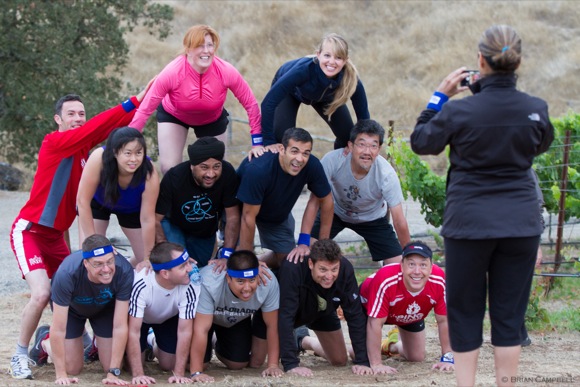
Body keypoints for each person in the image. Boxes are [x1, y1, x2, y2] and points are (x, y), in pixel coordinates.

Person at [410, 25, 554, 386]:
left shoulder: (460, 112)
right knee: (508, 315)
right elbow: (538, 145)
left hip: (469, 223)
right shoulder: (536, 109)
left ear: (480, 61)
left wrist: (439, 97)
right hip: (520, 224)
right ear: (517, 61)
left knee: (465, 311)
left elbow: (421, 142)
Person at [8, 83, 150, 380]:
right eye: (71, 113)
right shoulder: (55, 142)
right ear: (58, 119)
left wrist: (148, 101)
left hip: (57, 237)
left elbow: (114, 134)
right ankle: (19, 355)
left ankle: (55, 340)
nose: (78, 118)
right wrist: (132, 101)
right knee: (43, 292)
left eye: (82, 113)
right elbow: (99, 126)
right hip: (31, 232)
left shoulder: (85, 152)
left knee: (81, 285)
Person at [129, 24, 268, 174]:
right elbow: (145, 109)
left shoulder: (226, 71)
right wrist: (128, 141)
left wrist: (257, 143)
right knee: (169, 169)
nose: (206, 51)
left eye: (210, 45)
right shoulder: (172, 72)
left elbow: (251, 104)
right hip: (174, 115)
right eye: (200, 46)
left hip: (212, 118)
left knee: (216, 171)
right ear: (188, 49)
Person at [27, 234, 134, 385]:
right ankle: (44, 341)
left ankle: (98, 344)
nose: (106, 269)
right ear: (86, 263)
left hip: (104, 308)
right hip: (72, 310)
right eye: (98, 264)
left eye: (110, 261)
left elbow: (120, 325)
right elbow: (58, 328)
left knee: (112, 363)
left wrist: (113, 372)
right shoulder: (67, 274)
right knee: (72, 367)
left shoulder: (124, 271)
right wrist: (61, 374)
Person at [311, 119, 411, 265]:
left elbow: (399, 219)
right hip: (335, 212)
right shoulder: (332, 160)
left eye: (373, 146)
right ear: (350, 146)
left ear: (379, 149)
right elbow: (314, 201)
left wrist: (410, 254)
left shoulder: (386, 174)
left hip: (373, 218)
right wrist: (305, 241)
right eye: (362, 144)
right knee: (309, 252)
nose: (367, 151)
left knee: (396, 265)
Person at [236, 127, 334, 270]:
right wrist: (248, 259)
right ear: (282, 149)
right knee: (240, 261)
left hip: (275, 212)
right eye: (294, 151)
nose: (300, 159)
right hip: (242, 208)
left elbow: (326, 201)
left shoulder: (312, 165)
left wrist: (316, 244)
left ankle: (261, 261)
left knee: (289, 262)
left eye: (306, 153)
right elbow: (247, 217)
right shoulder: (259, 169)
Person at [278, 239, 372, 376]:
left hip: (322, 311)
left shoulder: (345, 269)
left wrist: (362, 361)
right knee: (255, 361)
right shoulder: (293, 267)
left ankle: (303, 340)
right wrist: (291, 364)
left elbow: (355, 316)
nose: (329, 276)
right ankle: (295, 337)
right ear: (311, 263)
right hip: (294, 311)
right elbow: (285, 316)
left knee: (339, 360)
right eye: (323, 269)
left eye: (334, 269)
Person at [260, 33, 370, 150]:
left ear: (345, 60)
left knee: (348, 139)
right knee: (283, 141)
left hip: (324, 96)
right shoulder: (302, 71)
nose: (332, 62)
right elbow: (268, 103)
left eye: (338, 58)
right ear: (318, 55)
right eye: (327, 55)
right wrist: (268, 141)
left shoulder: (351, 78)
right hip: (291, 92)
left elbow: (363, 114)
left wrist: (364, 141)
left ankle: (339, 164)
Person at [188, 250, 282, 382]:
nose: (247, 288)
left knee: (237, 364)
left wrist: (273, 365)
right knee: (195, 364)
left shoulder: (268, 281)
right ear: (228, 278)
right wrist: (196, 372)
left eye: (252, 280)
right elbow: (201, 329)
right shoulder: (209, 281)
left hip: (235, 318)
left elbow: (272, 326)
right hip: (205, 318)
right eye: (240, 281)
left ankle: (216, 341)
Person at [361, 241, 453, 374]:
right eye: (411, 264)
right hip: (371, 310)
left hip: (407, 310)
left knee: (416, 357)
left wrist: (447, 358)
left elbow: (444, 320)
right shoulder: (386, 279)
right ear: (402, 266)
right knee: (355, 355)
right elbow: (374, 323)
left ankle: (391, 344)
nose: (417, 271)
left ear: (431, 268)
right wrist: (377, 364)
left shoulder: (439, 279)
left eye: (423, 265)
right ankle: (319, 345)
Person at [77, 127, 159, 267]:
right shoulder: (99, 158)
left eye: (139, 153)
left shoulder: (149, 172)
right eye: (128, 153)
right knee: (90, 256)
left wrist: (147, 258)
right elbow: (82, 201)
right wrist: (94, 243)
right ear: (115, 152)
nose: (133, 159)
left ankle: (125, 268)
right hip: (98, 203)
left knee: (148, 262)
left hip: (131, 209)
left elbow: (147, 218)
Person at [155, 137, 239, 271]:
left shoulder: (228, 173)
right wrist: (164, 249)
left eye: (216, 167)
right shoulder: (174, 177)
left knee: (199, 270)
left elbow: (233, 217)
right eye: (204, 167)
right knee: (177, 265)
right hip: (174, 225)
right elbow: (155, 219)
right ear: (192, 165)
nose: (211, 174)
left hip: (204, 230)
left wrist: (226, 255)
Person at [126, 242, 200, 385]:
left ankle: (152, 339)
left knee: (169, 365)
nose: (190, 269)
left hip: (167, 318)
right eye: (183, 266)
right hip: (140, 321)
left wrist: (179, 373)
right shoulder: (141, 283)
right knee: (130, 367)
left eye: (188, 263)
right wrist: (138, 374)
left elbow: (185, 330)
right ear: (165, 273)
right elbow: (133, 331)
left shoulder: (191, 282)